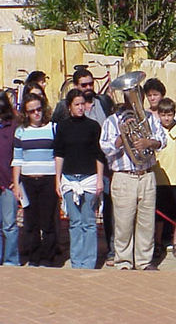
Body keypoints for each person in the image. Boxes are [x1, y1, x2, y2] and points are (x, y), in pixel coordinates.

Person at [53, 66, 115, 266]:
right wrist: (58, 180)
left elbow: (99, 155)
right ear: (69, 106)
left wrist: (99, 180)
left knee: (89, 222)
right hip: (70, 179)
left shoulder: (93, 126)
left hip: (89, 179)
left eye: (82, 104)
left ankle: (89, 262)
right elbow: (59, 154)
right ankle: (76, 261)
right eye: (77, 104)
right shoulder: (62, 127)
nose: (81, 107)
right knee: (75, 223)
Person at [100, 86, 165, 271]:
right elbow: (105, 147)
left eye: (138, 97)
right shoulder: (113, 121)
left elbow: (162, 140)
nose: (135, 101)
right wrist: (123, 137)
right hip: (123, 176)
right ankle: (124, 262)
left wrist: (148, 142)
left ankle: (144, 261)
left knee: (146, 222)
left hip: (146, 174)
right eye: (131, 97)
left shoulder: (150, 118)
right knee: (123, 223)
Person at [12, 93, 57, 267]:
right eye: (32, 111)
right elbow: (17, 160)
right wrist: (16, 185)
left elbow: (58, 157)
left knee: (47, 222)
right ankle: (34, 257)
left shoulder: (53, 128)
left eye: (38, 109)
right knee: (30, 222)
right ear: (26, 113)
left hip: (48, 180)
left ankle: (48, 258)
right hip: (28, 181)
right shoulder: (21, 131)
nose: (36, 113)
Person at [152, 97, 176, 259]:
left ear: (174, 114)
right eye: (163, 115)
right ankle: (158, 242)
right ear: (158, 115)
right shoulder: (155, 132)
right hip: (160, 180)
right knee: (160, 215)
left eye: (170, 114)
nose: (166, 118)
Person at [0, 90, 20, 266]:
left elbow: (18, 154)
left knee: (9, 225)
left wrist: (15, 180)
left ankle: (11, 260)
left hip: (8, 183)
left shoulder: (13, 126)